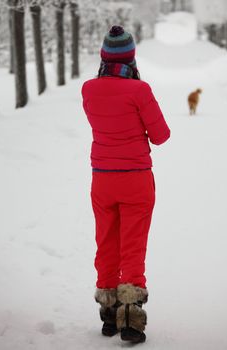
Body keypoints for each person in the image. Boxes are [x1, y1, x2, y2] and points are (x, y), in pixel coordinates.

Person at [81, 25, 170, 344]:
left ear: (104, 57)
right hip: (136, 180)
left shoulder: (88, 89)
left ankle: (108, 314)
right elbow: (161, 135)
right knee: (133, 246)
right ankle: (131, 318)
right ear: (131, 57)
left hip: (102, 178)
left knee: (106, 242)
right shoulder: (139, 90)